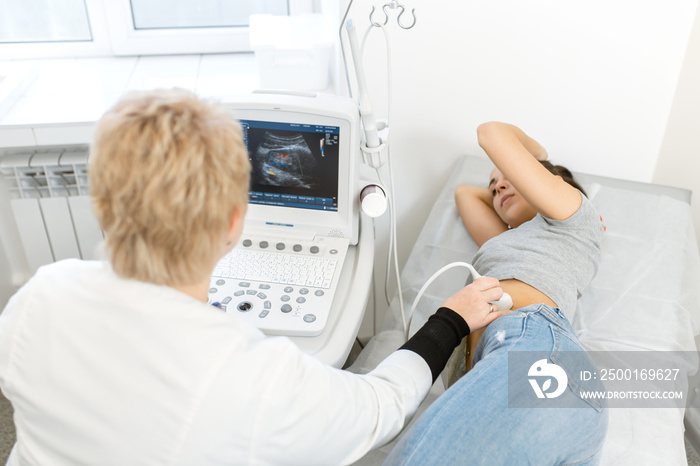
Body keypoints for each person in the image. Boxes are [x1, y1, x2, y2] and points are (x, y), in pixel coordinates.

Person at [0, 89, 508, 465]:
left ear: (100, 204)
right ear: (232, 223)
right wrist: (451, 318)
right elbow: (381, 407)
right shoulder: (252, 380)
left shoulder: (37, 297)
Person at [384, 122, 609, 465]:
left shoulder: (574, 216)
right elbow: (464, 193)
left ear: (552, 184)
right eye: (493, 187)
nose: (497, 186)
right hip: (535, 385)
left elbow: (490, 133)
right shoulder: (504, 241)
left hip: (534, 356)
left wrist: (537, 157)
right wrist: (505, 186)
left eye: (509, 176)